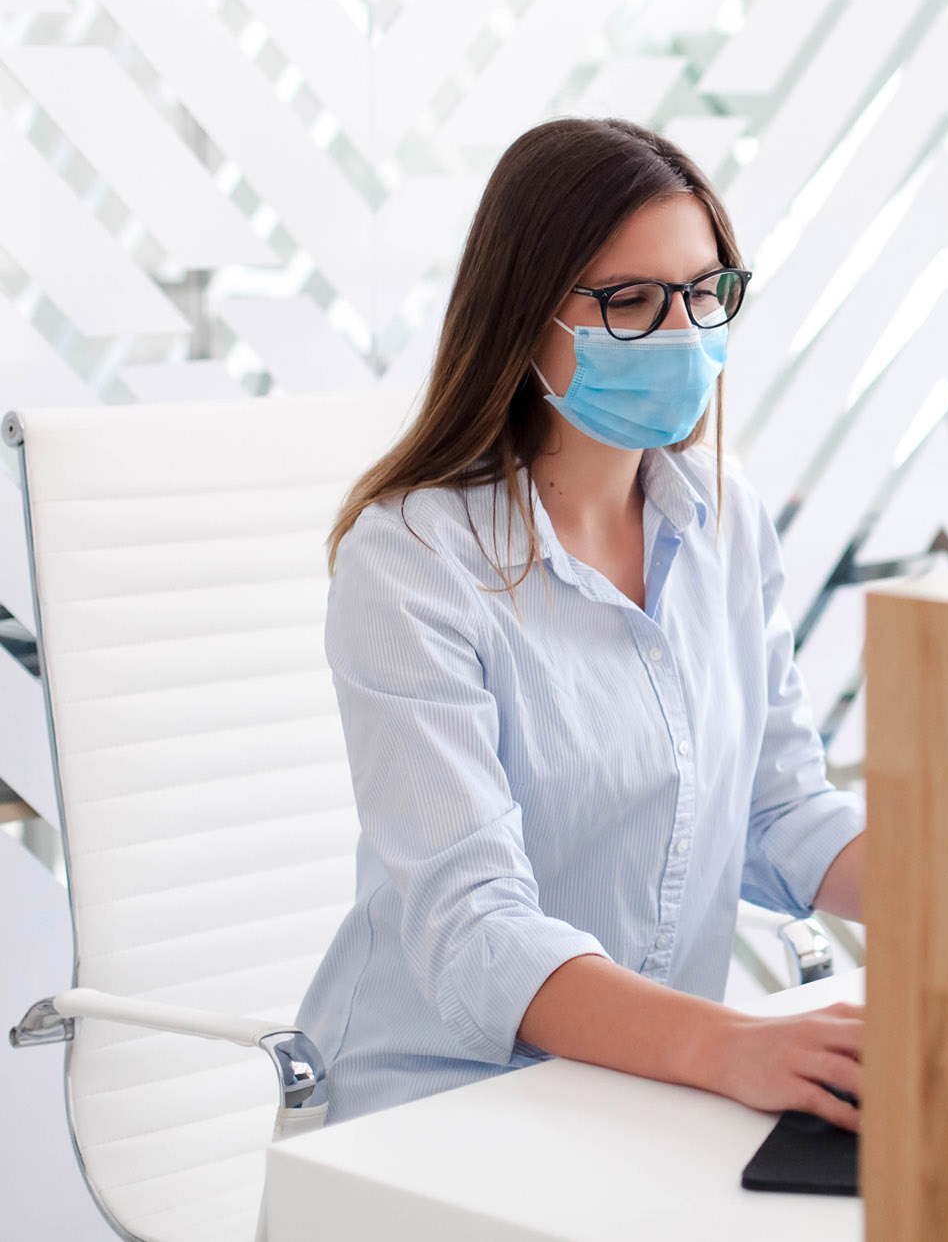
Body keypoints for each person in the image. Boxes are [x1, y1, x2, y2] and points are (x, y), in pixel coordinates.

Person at [298, 118, 867, 1130]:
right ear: (525, 323)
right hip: (437, 1106)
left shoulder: (722, 515)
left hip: (643, 1092)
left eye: (704, 293)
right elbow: (480, 932)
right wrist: (733, 1045)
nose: (685, 332)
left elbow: (779, 815)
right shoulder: (414, 561)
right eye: (632, 302)